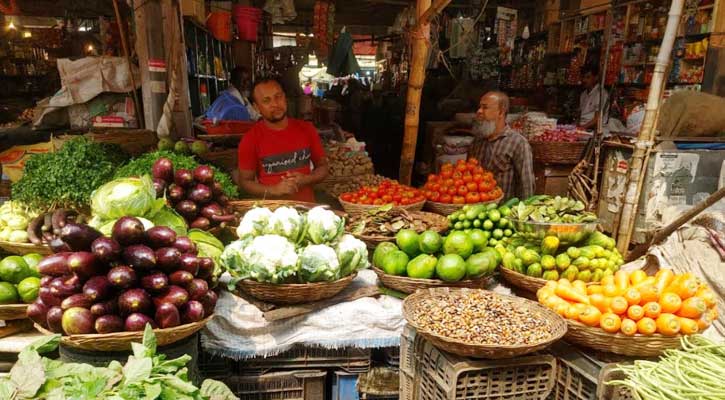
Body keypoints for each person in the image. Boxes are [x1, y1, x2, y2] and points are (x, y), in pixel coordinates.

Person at [237, 77, 329, 202]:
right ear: (256, 107)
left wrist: (306, 179)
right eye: (266, 100)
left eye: (278, 97)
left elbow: (323, 167)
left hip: (308, 212)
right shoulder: (250, 139)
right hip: (272, 215)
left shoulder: (307, 129)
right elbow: (245, 182)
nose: (275, 104)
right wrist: (274, 190)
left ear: (285, 97)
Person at [468, 91, 535, 200]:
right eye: (479, 107)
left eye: (485, 108)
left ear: (501, 112)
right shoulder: (476, 142)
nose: (479, 111)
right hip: (476, 209)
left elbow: (526, 184)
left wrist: (524, 212)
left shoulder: (517, 142)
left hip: (503, 211)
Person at [578, 64, 609, 130]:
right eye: (583, 77)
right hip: (583, 127)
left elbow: (597, 119)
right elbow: (580, 114)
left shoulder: (600, 93)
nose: (584, 80)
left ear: (596, 78)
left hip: (593, 130)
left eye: (588, 77)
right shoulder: (583, 94)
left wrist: (581, 128)